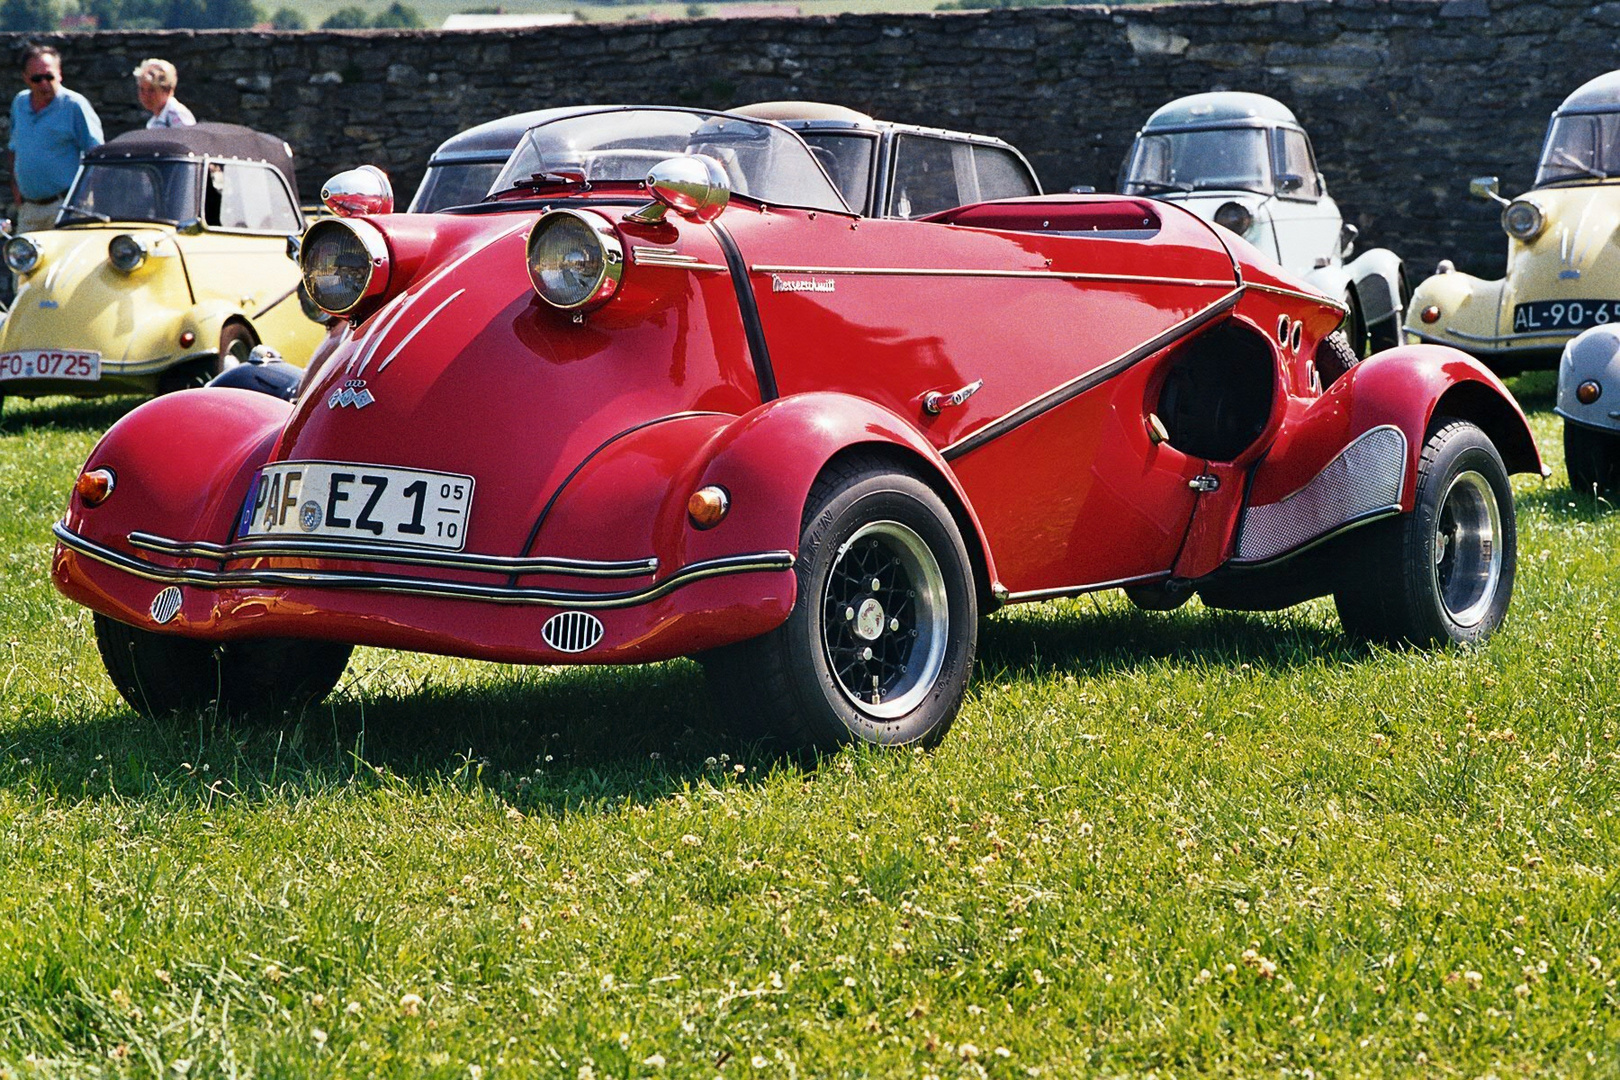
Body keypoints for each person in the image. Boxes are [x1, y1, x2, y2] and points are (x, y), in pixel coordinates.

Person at [7, 44, 102, 233]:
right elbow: (14, 148)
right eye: (36, 78)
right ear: (26, 78)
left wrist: (83, 199)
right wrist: (16, 189)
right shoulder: (20, 103)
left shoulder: (75, 106)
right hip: (29, 209)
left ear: (60, 74)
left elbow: (97, 154)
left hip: (65, 207)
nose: (44, 83)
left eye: (49, 76)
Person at [132, 58, 194, 130]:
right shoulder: (153, 122)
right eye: (142, 89)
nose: (145, 95)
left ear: (167, 90)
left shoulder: (177, 117)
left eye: (152, 90)